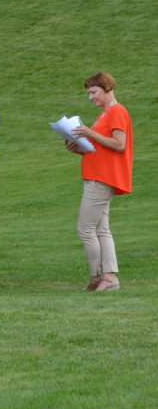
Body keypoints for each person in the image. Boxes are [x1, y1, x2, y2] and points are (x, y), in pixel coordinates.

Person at [66, 71, 132, 291]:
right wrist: (78, 148)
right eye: (89, 93)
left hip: (102, 178)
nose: (90, 97)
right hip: (97, 175)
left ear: (106, 88)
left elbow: (119, 144)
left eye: (93, 92)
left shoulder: (117, 110)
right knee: (102, 230)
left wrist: (90, 134)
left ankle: (97, 277)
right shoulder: (104, 114)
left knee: (85, 229)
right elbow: (102, 149)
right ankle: (109, 278)